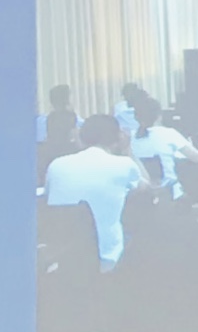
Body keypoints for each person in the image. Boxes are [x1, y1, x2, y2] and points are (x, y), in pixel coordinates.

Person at [41, 113, 147, 269]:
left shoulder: (56, 165)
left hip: (62, 258)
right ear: (117, 138)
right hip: (108, 256)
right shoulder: (124, 164)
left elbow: (48, 197)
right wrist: (128, 151)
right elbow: (146, 188)